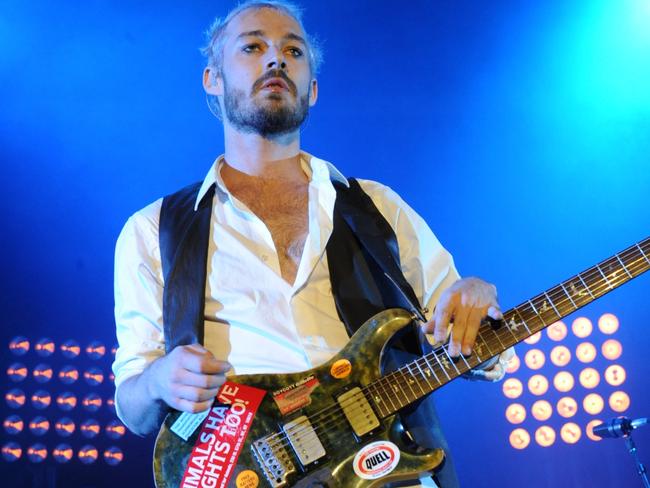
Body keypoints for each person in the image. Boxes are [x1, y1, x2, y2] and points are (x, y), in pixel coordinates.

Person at [112, 2, 513, 486]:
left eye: (293, 51)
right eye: (252, 46)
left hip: (388, 470)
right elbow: (134, 409)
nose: (275, 60)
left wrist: (477, 304)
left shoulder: (376, 206)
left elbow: (475, 350)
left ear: (313, 89)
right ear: (212, 80)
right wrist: (159, 380)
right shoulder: (152, 230)